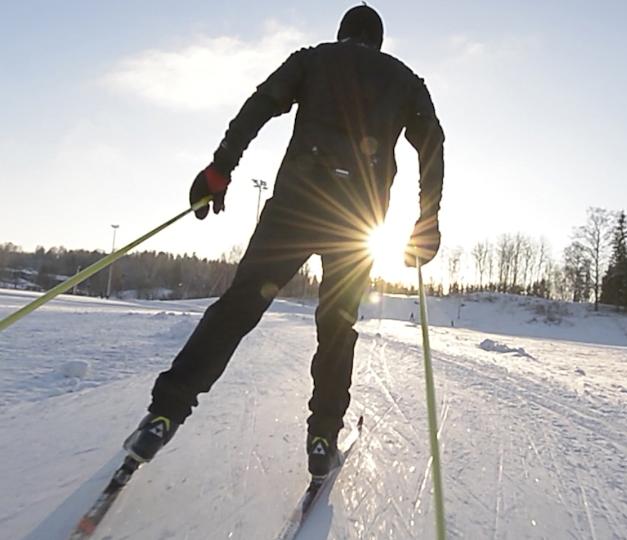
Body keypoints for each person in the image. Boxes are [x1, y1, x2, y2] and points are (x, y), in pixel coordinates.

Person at [124, 4, 444, 478]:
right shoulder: (404, 80)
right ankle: (322, 437)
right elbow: (433, 142)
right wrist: (427, 220)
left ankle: (164, 413)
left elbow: (259, 104)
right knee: (336, 326)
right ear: (377, 41)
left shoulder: (313, 59)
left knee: (238, 308)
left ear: (342, 35)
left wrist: (220, 168)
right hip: (356, 222)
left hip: (296, 203)